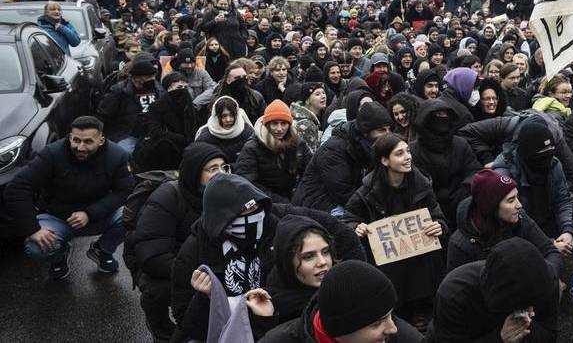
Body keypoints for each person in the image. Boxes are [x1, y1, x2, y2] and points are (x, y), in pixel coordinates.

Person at [170, 173, 364, 342]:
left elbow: (338, 231)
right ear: (220, 220)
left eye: (255, 210)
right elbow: (188, 325)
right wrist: (204, 299)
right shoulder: (194, 251)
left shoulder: (277, 218)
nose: (253, 218)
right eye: (243, 214)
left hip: (274, 321)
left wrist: (357, 279)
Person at [4, 116, 132, 279]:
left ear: (101, 140)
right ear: (70, 136)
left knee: (134, 214)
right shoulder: (51, 154)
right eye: (76, 140)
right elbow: (16, 188)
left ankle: (103, 249)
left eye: (88, 142)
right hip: (58, 217)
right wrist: (33, 229)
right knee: (36, 247)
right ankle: (59, 256)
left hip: (98, 215)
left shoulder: (118, 156)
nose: (80, 147)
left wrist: (89, 213)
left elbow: (125, 191)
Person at [345, 134, 446, 330]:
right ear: (384, 160)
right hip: (385, 257)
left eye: (408, 151)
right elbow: (348, 218)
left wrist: (439, 225)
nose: (408, 157)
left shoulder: (421, 183)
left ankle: (421, 308)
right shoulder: (367, 191)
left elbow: (437, 215)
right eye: (399, 153)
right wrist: (356, 227)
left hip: (418, 254)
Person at [129, 142, 226, 342]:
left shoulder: (226, 194)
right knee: (157, 293)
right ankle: (162, 329)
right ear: (194, 173)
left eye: (224, 167)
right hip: (167, 266)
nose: (221, 174)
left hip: (205, 263)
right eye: (212, 169)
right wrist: (194, 274)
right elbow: (152, 256)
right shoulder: (167, 197)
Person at [259, 259, 424, 343]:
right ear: (341, 329)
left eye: (390, 315)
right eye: (376, 324)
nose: (393, 328)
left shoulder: (402, 337)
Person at [429, 238, 559, 343]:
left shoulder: (545, 281)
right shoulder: (454, 294)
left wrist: (527, 330)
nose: (532, 312)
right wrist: (499, 338)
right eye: (524, 307)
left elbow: (549, 332)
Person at [446, 168, 561, 275]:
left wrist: (545, 278)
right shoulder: (460, 245)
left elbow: (550, 251)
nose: (519, 205)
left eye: (517, 197)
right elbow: (459, 289)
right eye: (511, 201)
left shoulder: (520, 218)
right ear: (492, 206)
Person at [292, 101, 394, 214]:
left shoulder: (368, 147)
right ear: (366, 132)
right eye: (381, 130)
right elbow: (343, 194)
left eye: (389, 129)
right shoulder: (334, 149)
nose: (388, 134)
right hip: (318, 206)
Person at [490, 121, 573, 254]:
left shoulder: (554, 165)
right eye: (543, 150)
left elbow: (563, 200)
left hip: (547, 221)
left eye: (550, 149)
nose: (548, 154)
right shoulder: (504, 175)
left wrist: (568, 230)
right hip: (518, 232)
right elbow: (509, 220)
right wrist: (548, 244)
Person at [409, 99, 481, 229]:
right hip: (431, 213)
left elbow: (474, 171)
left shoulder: (460, 144)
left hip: (463, 206)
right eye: (437, 115)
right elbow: (415, 183)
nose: (442, 119)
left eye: (445, 115)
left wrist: (464, 190)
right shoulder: (414, 151)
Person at [263, 215, 341, 324]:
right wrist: (264, 321)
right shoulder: (269, 308)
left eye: (325, 252)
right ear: (287, 262)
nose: (322, 262)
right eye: (308, 257)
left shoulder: (345, 286)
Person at [235, 99, 312, 203]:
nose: (279, 129)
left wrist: (298, 196)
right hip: (267, 203)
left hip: (295, 199)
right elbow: (248, 183)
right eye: (275, 124)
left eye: (284, 123)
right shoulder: (252, 148)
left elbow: (310, 172)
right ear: (267, 125)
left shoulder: (298, 143)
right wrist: (281, 202)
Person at [134, 71, 202, 173]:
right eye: (179, 87)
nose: (183, 91)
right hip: (166, 147)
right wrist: (180, 139)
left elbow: (195, 125)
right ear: (168, 89)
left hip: (188, 145)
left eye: (185, 88)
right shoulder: (157, 107)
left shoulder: (189, 106)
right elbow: (156, 131)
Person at [97, 57, 161, 153]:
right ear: (137, 78)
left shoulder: (157, 89)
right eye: (149, 78)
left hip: (153, 131)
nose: (152, 80)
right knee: (125, 152)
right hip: (126, 133)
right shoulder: (119, 91)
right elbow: (103, 115)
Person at [194, 95, 254, 166]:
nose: (228, 120)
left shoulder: (247, 132)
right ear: (216, 116)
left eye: (231, 115)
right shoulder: (205, 137)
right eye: (224, 116)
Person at [286, 82, 326, 152]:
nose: (323, 96)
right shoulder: (306, 125)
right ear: (307, 100)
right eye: (317, 94)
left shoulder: (304, 118)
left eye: (323, 92)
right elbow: (309, 156)